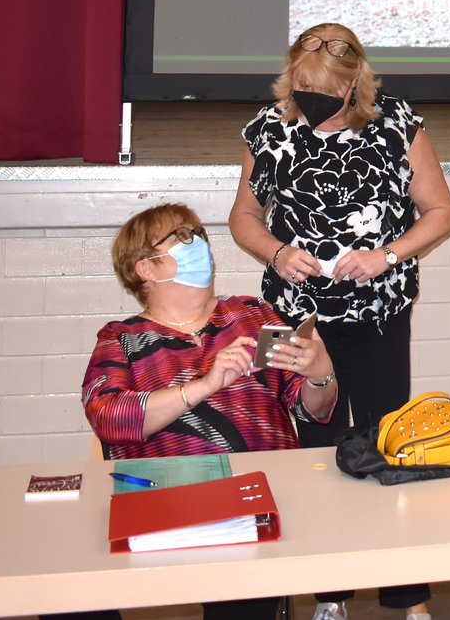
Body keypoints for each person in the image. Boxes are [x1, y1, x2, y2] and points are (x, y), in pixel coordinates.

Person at [230, 25, 450, 620]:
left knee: (389, 441)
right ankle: (328, 593)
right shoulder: (267, 128)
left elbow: (441, 212)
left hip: (378, 309)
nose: (314, 97)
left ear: (355, 81)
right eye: (303, 84)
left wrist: (388, 255)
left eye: (327, 89)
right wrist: (277, 253)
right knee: (307, 448)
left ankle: (407, 596)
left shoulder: (396, 122)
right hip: (292, 315)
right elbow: (243, 217)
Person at [73, 202, 339, 620]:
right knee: (64, 595)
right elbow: (108, 417)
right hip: (168, 506)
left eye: (197, 233)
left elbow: (313, 412)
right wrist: (203, 386)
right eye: (181, 237)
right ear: (145, 268)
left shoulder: (253, 315)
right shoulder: (121, 338)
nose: (197, 242)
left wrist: (321, 373)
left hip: (260, 501)